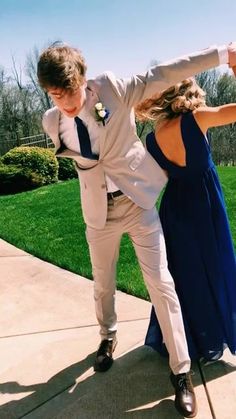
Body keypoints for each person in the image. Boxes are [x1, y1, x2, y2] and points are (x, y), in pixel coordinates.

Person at [37, 41, 236, 418]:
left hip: (137, 204)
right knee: (102, 283)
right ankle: (107, 337)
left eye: (70, 93)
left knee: (162, 283)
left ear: (84, 79)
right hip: (98, 215)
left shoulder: (111, 89)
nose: (65, 103)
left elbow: (166, 72)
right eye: (54, 95)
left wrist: (223, 55)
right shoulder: (52, 121)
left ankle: (180, 373)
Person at [135, 78, 236, 365]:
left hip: (175, 208)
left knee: (182, 273)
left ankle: (184, 340)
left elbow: (158, 179)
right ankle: (212, 337)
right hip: (204, 205)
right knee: (214, 266)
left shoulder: (153, 138)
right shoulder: (197, 118)